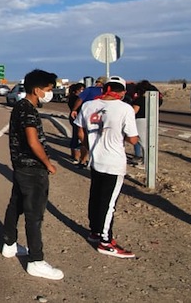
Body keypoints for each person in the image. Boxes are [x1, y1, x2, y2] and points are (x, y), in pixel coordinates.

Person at [1, 69, 64, 280]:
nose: (50, 93)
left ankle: (9, 245)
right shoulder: (28, 110)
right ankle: (36, 260)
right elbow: (32, 139)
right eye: (48, 89)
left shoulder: (19, 106)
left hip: (20, 167)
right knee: (34, 215)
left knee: (16, 205)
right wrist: (48, 163)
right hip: (32, 169)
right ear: (37, 90)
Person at [74, 76, 139, 259]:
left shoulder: (88, 106)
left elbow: (80, 129)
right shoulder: (125, 108)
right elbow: (132, 138)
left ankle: (95, 231)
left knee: (95, 197)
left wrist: (88, 145)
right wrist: (130, 139)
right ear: (122, 92)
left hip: (96, 160)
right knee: (109, 203)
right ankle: (105, 242)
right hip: (114, 162)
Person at [71, 76, 107, 168]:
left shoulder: (90, 90)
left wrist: (74, 109)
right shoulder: (107, 92)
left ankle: (83, 161)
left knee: (85, 138)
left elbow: (80, 99)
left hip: (89, 116)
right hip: (104, 117)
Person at [129, 80, 162, 167]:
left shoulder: (139, 100)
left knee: (143, 142)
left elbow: (133, 111)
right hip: (151, 120)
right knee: (149, 142)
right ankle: (146, 161)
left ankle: (146, 163)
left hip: (140, 121)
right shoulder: (154, 99)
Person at [66, 83, 86, 164]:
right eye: (81, 89)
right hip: (76, 118)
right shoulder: (76, 98)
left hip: (74, 118)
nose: (83, 91)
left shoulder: (72, 97)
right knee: (77, 137)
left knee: (76, 136)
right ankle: (76, 157)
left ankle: (74, 156)